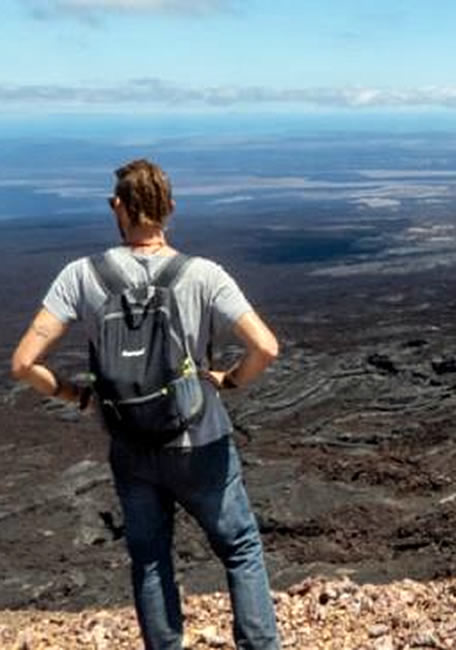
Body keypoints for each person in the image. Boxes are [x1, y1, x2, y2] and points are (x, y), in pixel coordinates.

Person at [9, 159, 281, 649]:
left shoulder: (81, 277)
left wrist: (76, 395)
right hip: (201, 440)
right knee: (240, 549)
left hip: (131, 446)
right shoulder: (204, 275)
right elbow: (266, 347)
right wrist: (230, 381)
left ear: (117, 207)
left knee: (151, 559)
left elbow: (24, 362)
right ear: (170, 208)